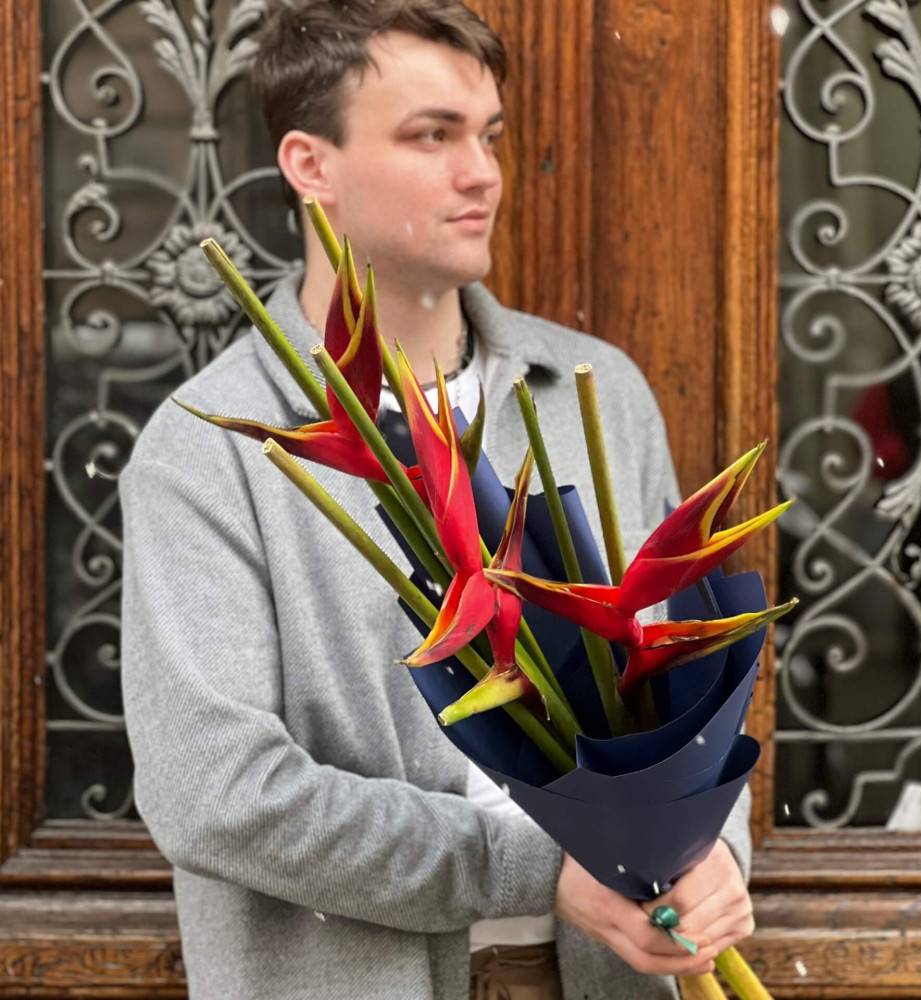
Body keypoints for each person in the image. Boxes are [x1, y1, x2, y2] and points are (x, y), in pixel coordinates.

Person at [119, 2, 755, 998]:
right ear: (310, 165)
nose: (482, 173)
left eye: (489, 135)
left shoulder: (591, 394)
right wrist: (535, 869)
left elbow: (684, 686)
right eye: (433, 135)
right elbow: (215, 790)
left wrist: (707, 853)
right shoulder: (214, 449)